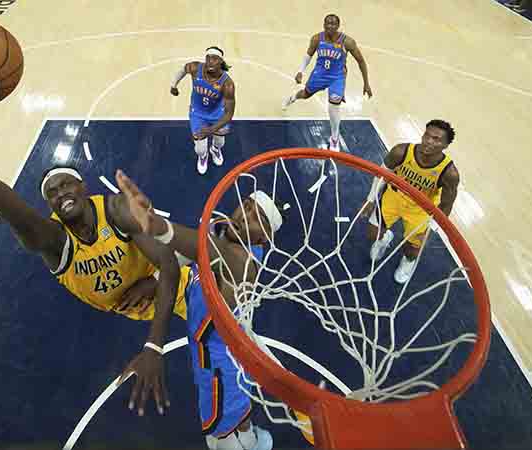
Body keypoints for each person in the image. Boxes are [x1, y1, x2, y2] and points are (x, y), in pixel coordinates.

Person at [0, 104, 192, 417]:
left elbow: (168, 263)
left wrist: (153, 338)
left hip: (182, 288)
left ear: (83, 187)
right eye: (52, 193)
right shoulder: (55, 242)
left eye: (66, 184)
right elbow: (17, 216)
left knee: (226, 337)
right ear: (50, 206)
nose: (61, 193)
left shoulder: (114, 210)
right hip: (141, 307)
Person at [116, 170, 278, 450]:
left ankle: (240, 443)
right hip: (234, 348)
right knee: (240, 410)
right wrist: (155, 280)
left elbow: (203, 248)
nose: (244, 216)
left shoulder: (242, 262)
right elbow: (191, 253)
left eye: (257, 219)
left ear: (263, 238)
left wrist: (157, 225)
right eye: (247, 206)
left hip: (218, 364)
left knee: (219, 433)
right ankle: (251, 440)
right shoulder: (222, 228)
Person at [361, 119, 460, 284]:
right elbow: (381, 175)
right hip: (393, 198)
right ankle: (385, 239)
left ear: (445, 145)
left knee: (412, 250)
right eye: (427, 135)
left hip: (420, 210)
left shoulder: (449, 173)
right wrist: (371, 200)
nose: (429, 141)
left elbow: (447, 203)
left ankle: (408, 262)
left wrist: (432, 228)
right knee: (372, 234)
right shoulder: (401, 151)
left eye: (436, 139)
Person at [282, 13, 372, 151]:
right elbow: (308, 55)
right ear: (324, 25)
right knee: (305, 94)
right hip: (320, 74)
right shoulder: (317, 38)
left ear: (338, 26)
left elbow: (361, 61)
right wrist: (300, 71)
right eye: (327, 23)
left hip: (337, 77)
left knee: (334, 105)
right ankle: (292, 97)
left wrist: (366, 83)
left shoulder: (347, 42)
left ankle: (334, 139)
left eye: (333, 23)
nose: (330, 26)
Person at [170, 46, 236, 175]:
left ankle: (215, 149)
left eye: (214, 58)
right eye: (208, 58)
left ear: (221, 62)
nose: (210, 61)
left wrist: (211, 129)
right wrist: (174, 85)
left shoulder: (227, 84)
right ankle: (203, 156)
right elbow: (182, 70)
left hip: (218, 115)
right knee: (200, 149)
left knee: (220, 142)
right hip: (198, 114)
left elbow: (229, 114)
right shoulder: (195, 68)